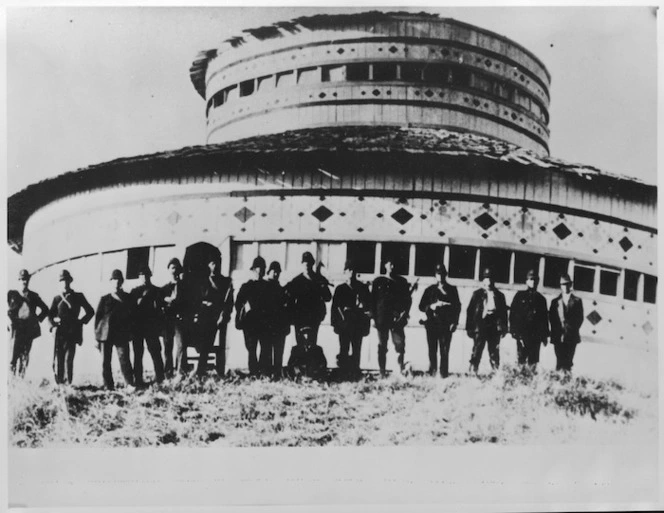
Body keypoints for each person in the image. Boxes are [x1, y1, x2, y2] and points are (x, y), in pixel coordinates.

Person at [48, 269, 95, 385]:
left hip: (72, 332)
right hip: (60, 333)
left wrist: (80, 322)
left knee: (69, 359)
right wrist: (52, 326)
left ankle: (69, 383)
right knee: (59, 359)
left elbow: (90, 311)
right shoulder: (56, 299)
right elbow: (50, 315)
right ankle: (60, 385)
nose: (64, 283)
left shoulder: (78, 296)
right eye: (62, 280)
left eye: (66, 280)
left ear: (70, 281)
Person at [192, 255, 234, 377]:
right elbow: (197, 300)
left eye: (216, 263)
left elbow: (229, 302)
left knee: (219, 344)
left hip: (219, 317)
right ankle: (201, 370)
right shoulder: (203, 282)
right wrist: (204, 303)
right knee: (204, 343)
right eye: (212, 264)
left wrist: (223, 316)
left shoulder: (226, 281)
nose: (214, 266)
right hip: (205, 317)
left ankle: (218, 370)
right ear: (208, 266)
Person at [371, 257, 412, 375]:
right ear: (385, 265)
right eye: (389, 264)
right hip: (382, 319)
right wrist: (374, 317)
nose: (391, 267)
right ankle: (382, 372)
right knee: (382, 346)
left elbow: (407, 300)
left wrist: (404, 313)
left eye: (393, 264)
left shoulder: (402, 282)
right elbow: (373, 301)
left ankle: (399, 369)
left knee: (400, 345)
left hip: (396, 320)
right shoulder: (378, 281)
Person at [418, 264, 460, 378]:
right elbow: (421, 306)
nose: (440, 276)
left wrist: (454, 322)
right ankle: (432, 372)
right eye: (438, 274)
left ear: (445, 275)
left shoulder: (452, 290)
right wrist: (431, 306)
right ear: (435, 275)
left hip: (445, 325)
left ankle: (443, 374)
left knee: (444, 350)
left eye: (442, 274)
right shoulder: (430, 290)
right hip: (432, 324)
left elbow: (457, 307)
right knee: (432, 349)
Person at [95, 269, 135, 390]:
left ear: (122, 281)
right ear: (111, 281)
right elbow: (98, 319)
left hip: (121, 334)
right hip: (105, 334)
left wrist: (130, 333)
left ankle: (129, 383)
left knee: (124, 359)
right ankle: (108, 385)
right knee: (105, 362)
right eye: (114, 279)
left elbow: (132, 316)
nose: (116, 282)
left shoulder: (127, 297)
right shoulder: (104, 299)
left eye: (118, 279)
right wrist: (96, 338)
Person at [331, 260, 371, 377]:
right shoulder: (340, 289)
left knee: (356, 350)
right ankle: (343, 373)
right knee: (344, 349)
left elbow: (368, 308)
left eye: (353, 270)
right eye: (349, 270)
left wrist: (365, 324)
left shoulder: (363, 288)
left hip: (358, 325)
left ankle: (355, 373)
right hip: (344, 325)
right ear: (345, 272)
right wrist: (336, 324)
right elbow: (335, 308)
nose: (351, 272)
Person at [284, 251, 332, 348]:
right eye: (305, 263)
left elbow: (328, 297)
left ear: (312, 264)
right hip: (300, 317)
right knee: (300, 345)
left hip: (314, 317)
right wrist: (291, 316)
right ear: (302, 264)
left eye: (309, 263)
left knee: (312, 344)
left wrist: (323, 285)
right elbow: (289, 300)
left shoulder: (318, 279)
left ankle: (311, 363)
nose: (307, 265)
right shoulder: (296, 281)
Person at [465, 268, 508, 373]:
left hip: (494, 324)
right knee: (477, 349)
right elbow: (470, 311)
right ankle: (473, 372)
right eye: (486, 279)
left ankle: (496, 373)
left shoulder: (499, 296)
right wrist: (469, 328)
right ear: (483, 280)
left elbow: (504, 314)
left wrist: (504, 328)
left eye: (490, 279)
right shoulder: (477, 294)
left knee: (494, 351)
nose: (488, 282)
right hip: (481, 324)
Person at [8, 269, 49, 377]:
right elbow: (7, 311)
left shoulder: (33, 296)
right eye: (21, 279)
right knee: (13, 356)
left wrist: (36, 320)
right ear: (18, 280)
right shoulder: (12, 295)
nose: (24, 282)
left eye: (25, 279)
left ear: (28, 280)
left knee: (24, 356)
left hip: (28, 330)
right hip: (16, 330)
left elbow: (45, 309)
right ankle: (12, 381)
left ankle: (21, 379)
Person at [129, 266, 165, 386]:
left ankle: (160, 378)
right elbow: (130, 310)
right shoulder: (134, 292)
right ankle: (138, 379)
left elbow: (161, 309)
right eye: (141, 275)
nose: (144, 277)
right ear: (139, 277)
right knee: (138, 354)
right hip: (137, 327)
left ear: (150, 276)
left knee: (155, 352)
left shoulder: (157, 291)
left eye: (146, 275)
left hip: (151, 326)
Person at [509, 269, 550, 368]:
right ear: (526, 281)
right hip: (522, 334)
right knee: (521, 360)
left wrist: (545, 336)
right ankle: (520, 380)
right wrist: (515, 332)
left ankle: (531, 381)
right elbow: (513, 314)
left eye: (535, 279)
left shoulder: (541, 299)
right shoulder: (519, 296)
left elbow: (544, 319)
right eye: (531, 279)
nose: (533, 282)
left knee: (533, 361)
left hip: (536, 336)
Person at [235, 257, 268, 376]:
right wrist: (245, 306)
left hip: (264, 323)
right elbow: (238, 303)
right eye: (258, 270)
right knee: (251, 348)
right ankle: (254, 372)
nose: (260, 272)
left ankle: (263, 372)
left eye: (262, 270)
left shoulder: (267, 286)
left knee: (264, 348)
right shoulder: (246, 286)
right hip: (250, 324)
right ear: (253, 270)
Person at [549, 273, 584, 372]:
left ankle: (567, 383)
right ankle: (558, 382)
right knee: (559, 361)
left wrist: (570, 329)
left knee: (568, 362)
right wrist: (557, 331)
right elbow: (552, 318)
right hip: (558, 336)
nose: (565, 286)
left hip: (571, 336)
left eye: (567, 284)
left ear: (571, 285)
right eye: (563, 284)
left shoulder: (577, 301)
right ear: (560, 286)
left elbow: (580, 318)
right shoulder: (555, 302)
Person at [160, 258, 189, 377]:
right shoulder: (164, 288)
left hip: (180, 320)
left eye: (176, 268)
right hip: (167, 320)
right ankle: (168, 372)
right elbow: (159, 303)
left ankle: (180, 371)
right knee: (167, 346)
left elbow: (190, 303)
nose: (174, 271)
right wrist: (165, 300)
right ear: (168, 270)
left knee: (181, 345)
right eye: (172, 268)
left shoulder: (185, 287)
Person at [262, 261, 290, 378]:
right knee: (266, 350)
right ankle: (267, 374)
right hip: (267, 325)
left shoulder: (280, 288)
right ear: (269, 272)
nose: (276, 274)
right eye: (274, 272)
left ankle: (277, 373)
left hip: (279, 326)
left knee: (279, 351)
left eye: (278, 272)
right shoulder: (263, 287)